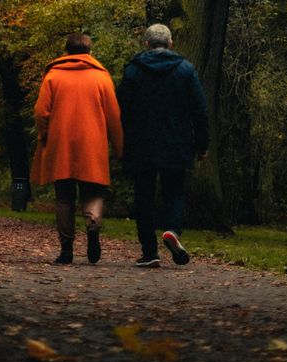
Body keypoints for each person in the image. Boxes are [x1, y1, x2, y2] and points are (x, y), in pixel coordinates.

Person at [116, 23, 209, 268]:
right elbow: (200, 110)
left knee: (143, 196)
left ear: (146, 44)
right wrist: (202, 144)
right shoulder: (186, 70)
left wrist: (121, 141)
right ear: (170, 44)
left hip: (141, 143)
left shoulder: (134, 70)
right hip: (177, 142)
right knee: (174, 191)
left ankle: (150, 252)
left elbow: (120, 109)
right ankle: (172, 231)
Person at [30, 32, 124, 265]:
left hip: (60, 145)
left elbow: (41, 112)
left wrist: (44, 135)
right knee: (93, 192)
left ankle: (66, 250)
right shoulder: (101, 78)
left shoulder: (53, 76)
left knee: (64, 197)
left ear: (66, 51)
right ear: (89, 52)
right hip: (92, 145)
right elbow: (114, 116)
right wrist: (119, 147)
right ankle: (92, 228)